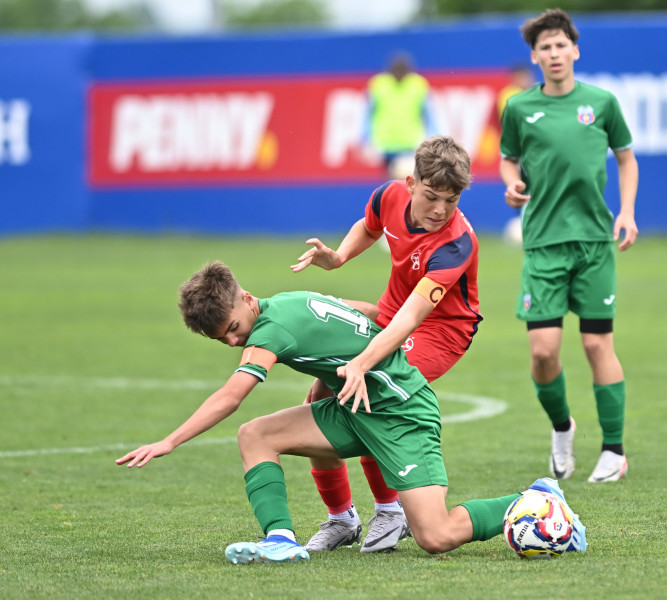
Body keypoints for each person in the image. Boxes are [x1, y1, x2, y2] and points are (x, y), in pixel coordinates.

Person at [115, 261, 587, 564]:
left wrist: (169, 441)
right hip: (355, 407)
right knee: (256, 435)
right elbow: (357, 309)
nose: (236, 342)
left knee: (435, 536)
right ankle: (288, 537)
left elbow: (231, 395)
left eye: (235, 329)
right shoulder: (291, 302)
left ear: (246, 299)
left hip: (403, 414)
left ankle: (538, 499)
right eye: (225, 340)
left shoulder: (272, 329)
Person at [289, 134, 481, 553]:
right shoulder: (388, 195)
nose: (439, 210)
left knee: (372, 391)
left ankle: (391, 511)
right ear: (410, 184)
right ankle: (342, 518)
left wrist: (362, 363)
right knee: (321, 392)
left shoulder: (456, 244)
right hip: (392, 314)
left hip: (441, 331)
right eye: (431, 196)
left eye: (451, 201)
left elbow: (413, 318)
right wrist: (338, 257)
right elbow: (371, 225)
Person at [499, 8, 639, 483]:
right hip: (543, 245)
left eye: (562, 45)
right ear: (534, 57)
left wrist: (626, 211)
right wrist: (512, 184)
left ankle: (614, 451)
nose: (554, 53)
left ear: (574, 51)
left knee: (597, 342)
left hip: (595, 243)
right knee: (543, 353)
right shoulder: (519, 108)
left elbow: (626, 158)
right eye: (545, 47)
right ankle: (563, 428)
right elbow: (508, 161)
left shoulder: (602, 103)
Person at [363, 51, 436, 179]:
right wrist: (365, 138)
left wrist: (433, 136)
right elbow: (368, 114)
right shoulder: (379, 84)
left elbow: (428, 114)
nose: (399, 74)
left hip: (410, 142)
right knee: (391, 182)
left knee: (408, 180)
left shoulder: (418, 85)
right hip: (386, 143)